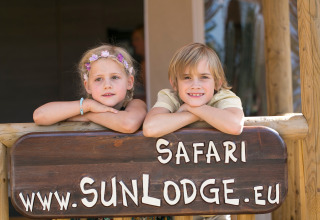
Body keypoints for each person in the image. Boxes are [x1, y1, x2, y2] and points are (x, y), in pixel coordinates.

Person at [33, 44, 147, 133]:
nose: (107, 85)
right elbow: (40, 115)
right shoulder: (84, 107)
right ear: (87, 85)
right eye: (98, 79)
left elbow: (128, 124)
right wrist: (88, 106)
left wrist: (86, 114)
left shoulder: (136, 104)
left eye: (115, 77)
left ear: (129, 82)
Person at [143, 42, 244, 137]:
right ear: (175, 83)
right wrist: (196, 115)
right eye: (187, 77)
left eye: (204, 77)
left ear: (217, 83)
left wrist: (190, 108)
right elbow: (150, 128)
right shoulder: (170, 97)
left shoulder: (224, 97)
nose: (195, 86)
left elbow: (235, 125)